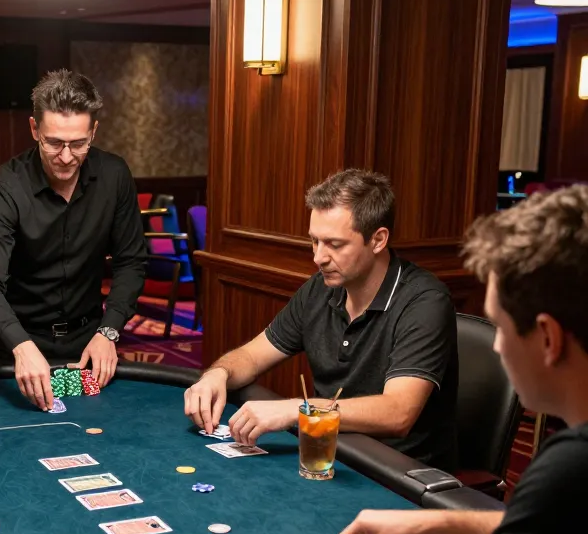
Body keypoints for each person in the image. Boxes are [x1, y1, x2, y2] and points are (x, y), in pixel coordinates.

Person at [334, 185, 588, 534]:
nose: (494, 350)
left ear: (547, 338)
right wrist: (434, 522)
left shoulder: (572, 467)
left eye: (500, 326)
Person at [184, 169, 458, 470]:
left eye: (335, 244)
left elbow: (398, 412)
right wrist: (217, 374)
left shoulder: (424, 300)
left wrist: (296, 410)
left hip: (397, 473)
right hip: (330, 454)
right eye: (315, 241)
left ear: (378, 240)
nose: (318, 257)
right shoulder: (321, 288)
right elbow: (251, 355)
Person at [0, 69, 147, 411]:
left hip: (90, 343)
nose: (66, 157)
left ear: (93, 131)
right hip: (19, 344)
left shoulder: (114, 176)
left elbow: (131, 261)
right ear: (34, 129)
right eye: (53, 142)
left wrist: (109, 332)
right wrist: (20, 346)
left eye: (78, 144)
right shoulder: (4, 188)